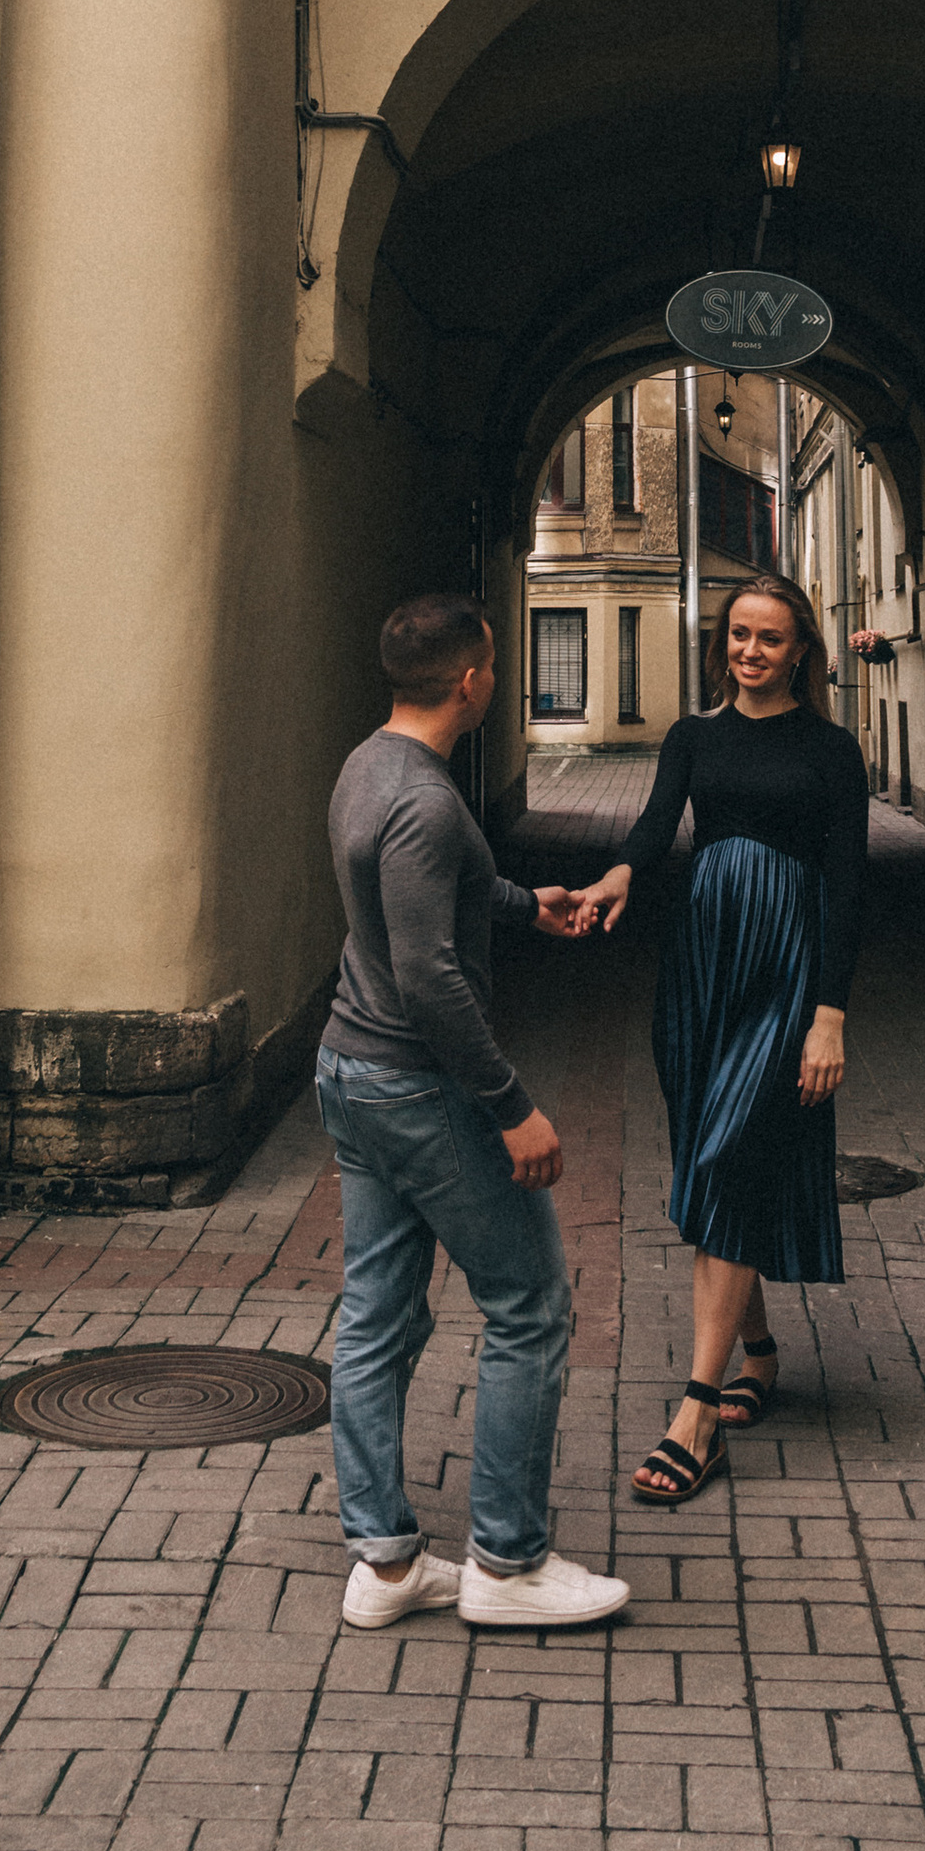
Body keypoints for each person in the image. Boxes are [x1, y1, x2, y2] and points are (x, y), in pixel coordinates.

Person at [318, 590, 632, 1630]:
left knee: (378, 1312)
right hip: (417, 1085)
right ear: (470, 680)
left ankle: (388, 1566)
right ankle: (505, 1564)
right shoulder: (422, 798)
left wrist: (523, 903)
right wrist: (511, 1108)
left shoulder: (371, 764)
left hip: (352, 1074)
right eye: (493, 662)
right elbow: (427, 977)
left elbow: (418, 896)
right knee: (530, 1306)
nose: (495, 675)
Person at [572, 573, 867, 1505]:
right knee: (709, 1154)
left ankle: (695, 1415)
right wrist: (618, 875)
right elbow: (659, 827)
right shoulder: (693, 737)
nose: (750, 651)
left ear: (802, 652)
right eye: (739, 635)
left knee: (732, 1153)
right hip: (703, 968)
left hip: (786, 967)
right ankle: (762, 1353)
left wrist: (830, 1011)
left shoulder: (831, 751)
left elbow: (849, 883)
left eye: (769, 639)